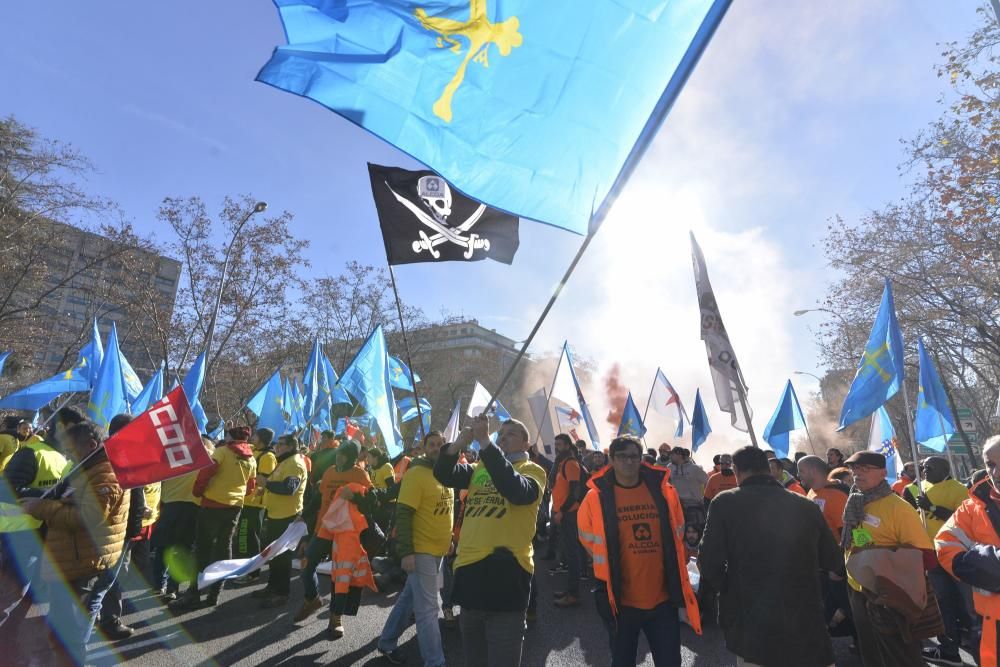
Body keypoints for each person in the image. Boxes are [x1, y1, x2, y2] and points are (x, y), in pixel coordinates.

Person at [699, 445, 840, 667]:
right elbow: (832, 559)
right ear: (769, 468)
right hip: (804, 618)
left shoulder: (724, 503)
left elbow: (708, 562)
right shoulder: (805, 505)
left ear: (736, 470)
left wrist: (729, 588)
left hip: (751, 621)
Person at [578, 435, 701, 667]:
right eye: (622, 457)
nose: (628, 462)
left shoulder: (664, 492)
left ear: (641, 458)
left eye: (633, 456)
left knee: (670, 662)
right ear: (611, 460)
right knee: (622, 661)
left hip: (663, 600)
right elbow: (586, 537)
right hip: (621, 601)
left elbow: (678, 530)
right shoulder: (595, 497)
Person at [434, 414, 546, 667]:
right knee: (474, 658)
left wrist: (485, 441)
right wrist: (457, 444)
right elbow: (443, 473)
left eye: (511, 434)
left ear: (526, 445)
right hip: (470, 571)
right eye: (501, 434)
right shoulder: (479, 469)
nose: (503, 438)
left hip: (507, 573)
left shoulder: (532, 470)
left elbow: (516, 491)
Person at [21, 420, 130, 664]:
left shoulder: (106, 473)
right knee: (63, 631)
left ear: (91, 446)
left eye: (71, 450)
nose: (67, 456)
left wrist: (40, 507)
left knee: (69, 636)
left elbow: (88, 518)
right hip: (73, 558)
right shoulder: (87, 468)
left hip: (84, 563)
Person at [842, 451, 934, 666]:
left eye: (865, 469)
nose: (857, 473)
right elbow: (857, 538)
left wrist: (882, 562)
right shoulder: (855, 501)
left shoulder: (899, 508)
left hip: (889, 592)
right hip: (858, 588)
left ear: (883, 473)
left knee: (899, 655)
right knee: (871, 652)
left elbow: (926, 557)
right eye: (854, 468)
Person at [377, 430, 454, 666]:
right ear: (423, 447)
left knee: (409, 599)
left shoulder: (446, 473)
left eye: (440, 444)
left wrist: (449, 538)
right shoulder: (416, 474)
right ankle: (435, 662)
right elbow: (403, 513)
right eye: (431, 444)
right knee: (429, 610)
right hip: (421, 552)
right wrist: (407, 552)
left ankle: (387, 642)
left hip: (439, 551)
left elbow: (446, 510)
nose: (436, 448)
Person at [0, 412, 73, 634]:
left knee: (23, 591)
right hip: (14, 532)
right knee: (10, 592)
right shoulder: (33, 453)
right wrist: (47, 495)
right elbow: (5, 490)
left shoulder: (66, 460)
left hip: (39, 533)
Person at [173, 426, 257, 610]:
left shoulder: (222, 452)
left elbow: (206, 472)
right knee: (224, 548)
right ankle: (215, 593)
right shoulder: (251, 459)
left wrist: (198, 491)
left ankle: (193, 593)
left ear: (231, 437)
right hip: (235, 507)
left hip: (212, 504)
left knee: (202, 549)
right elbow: (251, 486)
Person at [935, 435, 1000, 667]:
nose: (997, 472)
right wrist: (990, 565)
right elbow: (945, 545)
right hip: (991, 623)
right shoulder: (971, 507)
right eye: (990, 464)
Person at [903, 455, 973, 665]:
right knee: (942, 604)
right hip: (931, 555)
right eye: (923, 468)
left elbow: (962, 518)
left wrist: (931, 508)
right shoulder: (919, 487)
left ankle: (980, 643)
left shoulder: (958, 489)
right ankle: (950, 650)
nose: (924, 471)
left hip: (958, 555)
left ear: (944, 469)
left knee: (968, 603)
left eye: (929, 468)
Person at [294, 439, 371, 627]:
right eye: (338, 453)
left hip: (346, 533)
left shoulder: (360, 474)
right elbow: (318, 499)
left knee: (341, 575)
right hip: (324, 529)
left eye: (343, 454)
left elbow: (371, 504)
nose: (339, 457)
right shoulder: (329, 472)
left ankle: (336, 617)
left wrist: (355, 498)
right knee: (306, 566)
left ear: (352, 457)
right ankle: (312, 598)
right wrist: (303, 516)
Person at [153, 435, 214, 601]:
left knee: (163, 547)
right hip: (192, 507)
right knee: (182, 549)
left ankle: (159, 584)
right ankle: (173, 588)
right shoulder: (208, 454)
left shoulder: (174, 454)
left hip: (169, 505)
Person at [250, 434, 307, 608]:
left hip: (286, 517)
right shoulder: (284, 461)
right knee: (274, 555)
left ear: (290, 446)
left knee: (282, 557)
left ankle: (282, 593)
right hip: (275, 515)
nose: (277, 447)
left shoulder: (295, 463)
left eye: (281, 444)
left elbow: (289, 489)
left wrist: (266, 484)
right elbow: (277, 483)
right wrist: (265, 489)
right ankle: (272, 587)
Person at [551, 433, 585, 608]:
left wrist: (562, 512)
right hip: (564, 514)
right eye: (556, 444)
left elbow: (574, 493)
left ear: (567, 446)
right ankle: (570, 590)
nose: (557, 447)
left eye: (560, 444)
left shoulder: (571, 464)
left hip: (569, 515)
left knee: (572, 555)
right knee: (569, 553)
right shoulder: (562, 463)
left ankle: (573, 594)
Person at [235, 428, 276, 566]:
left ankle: (252, 570)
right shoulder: (253, 450)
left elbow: (263, 480)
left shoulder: (268, 456)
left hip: (255, 503)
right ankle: (243, 566)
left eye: (256, 435)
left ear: (262, 438)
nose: (253, 437)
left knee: (250, 536)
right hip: (245, 500)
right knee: (243, 535)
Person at [797, 455, 848, 536]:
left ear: (813, 471)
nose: (798, 475)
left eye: (801, 471)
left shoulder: (836, 496)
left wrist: (863, 547)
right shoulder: (812, 491)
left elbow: (851, 530)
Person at [667, 446, 709, 528]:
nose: (670, 457)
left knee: (695, 532)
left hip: (694, 506)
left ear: (679, 455)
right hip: (677, 507)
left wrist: (704, 498)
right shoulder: (669, 468)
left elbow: (708, 481)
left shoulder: (694, 468)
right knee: (679, 532)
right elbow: (666, 484)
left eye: (672, 454)